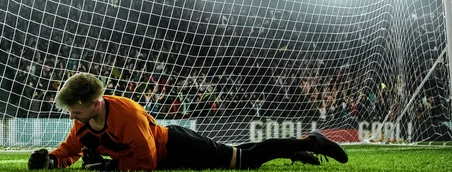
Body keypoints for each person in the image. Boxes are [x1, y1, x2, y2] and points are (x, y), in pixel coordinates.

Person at [28, 73, 348, 170]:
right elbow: (71, 148)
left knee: (243, 160)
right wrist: (51, 161)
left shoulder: (127, 114)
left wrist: (110, 168)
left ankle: (310, 142)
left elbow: (147, 160)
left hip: (177, 144)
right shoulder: (83, 123)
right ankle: (297, 149)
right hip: (166, 153)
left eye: (76, 109)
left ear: (95, 103)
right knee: (243, 154)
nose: (72, 114)